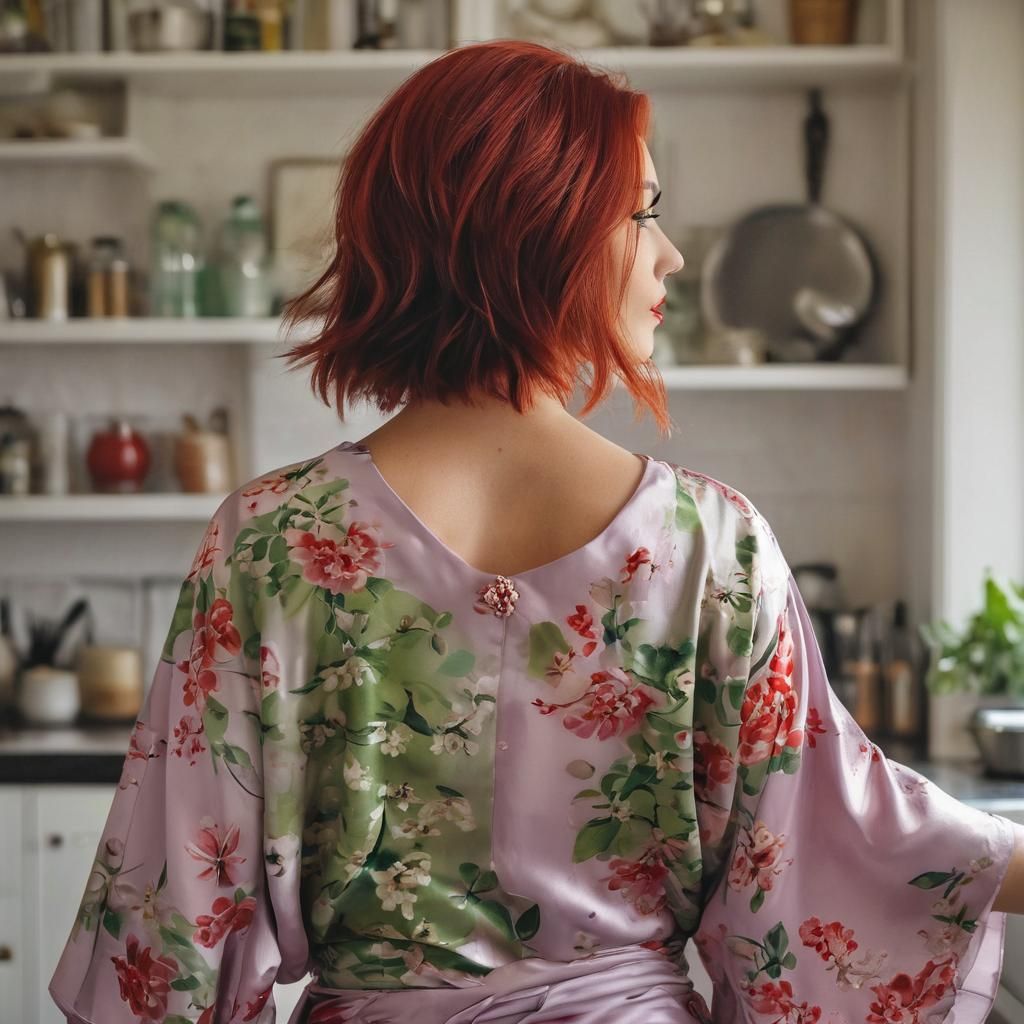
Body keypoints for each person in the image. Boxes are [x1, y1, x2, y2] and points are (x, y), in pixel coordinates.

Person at [49, 39, 1023, 1024]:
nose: (671, 254)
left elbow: (169, 933)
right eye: (642, 213)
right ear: (538, 230)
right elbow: (836, 839)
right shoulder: (709, 546)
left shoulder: (268, 540)